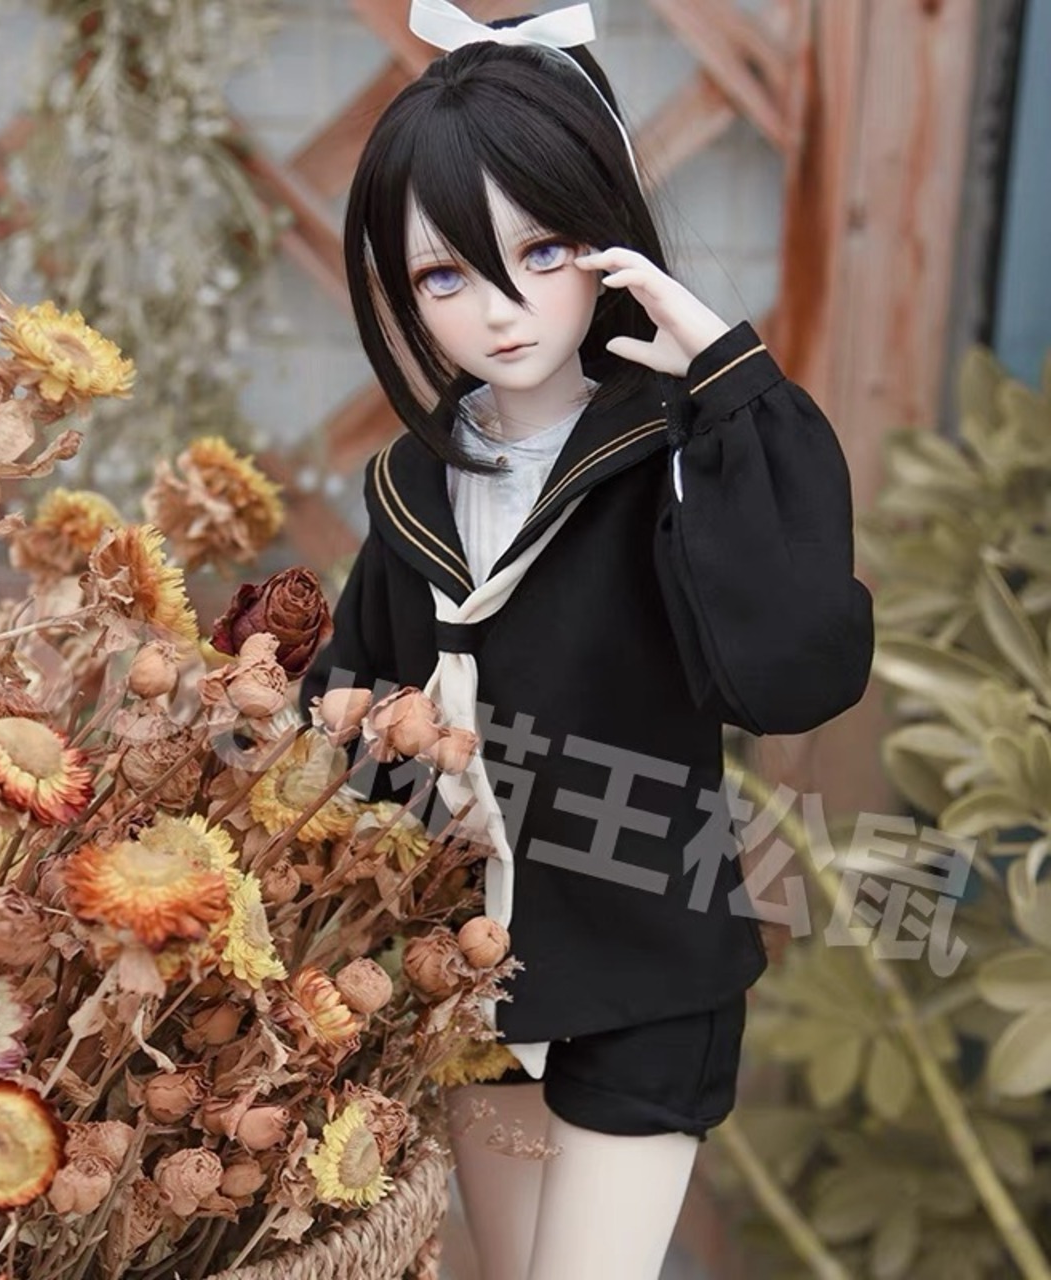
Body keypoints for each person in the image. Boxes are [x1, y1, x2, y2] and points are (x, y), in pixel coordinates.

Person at [299, 3, 875, 1276]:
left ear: (606, 236)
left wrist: (727, 382)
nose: (499, 310)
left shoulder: (674, 458)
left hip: (645, 965)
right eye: (444, 276)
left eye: (542, 249)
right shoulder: (413, 486)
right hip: (465, 971)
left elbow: (793, 669)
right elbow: (356, 719)